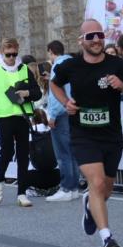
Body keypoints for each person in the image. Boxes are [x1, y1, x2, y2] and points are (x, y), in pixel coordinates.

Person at [50, 19, 123, 247]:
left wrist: (121, 85)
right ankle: (107, 239)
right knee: (97, 182)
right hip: (83, 135)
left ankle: (89, 203)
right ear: (82, 41)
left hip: (111, 136)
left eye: (99, 35)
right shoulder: (71, 65)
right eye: (90, 36)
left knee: (105, 189)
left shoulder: (116, 64)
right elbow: (54, 84)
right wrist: (65, 103)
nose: (96, 40)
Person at [0, 38, 42, 207]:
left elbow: (37, 92)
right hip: (5, 117)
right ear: (2, 52)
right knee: (7, 153)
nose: (11, 57)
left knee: (23, 154)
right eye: (8, 54)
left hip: (23, 117)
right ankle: (0, 181)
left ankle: (21, 193)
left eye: (14, 54)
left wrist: (26, 93)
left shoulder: (24, 69)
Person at [44, 40, 81, 202]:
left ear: (51, 52)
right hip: (73, 110)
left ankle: (67, 187)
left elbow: (55, 93)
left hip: (62, 112)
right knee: (72, 152)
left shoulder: (57, 66)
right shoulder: (72, 63)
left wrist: (51, 115)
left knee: (62, 152)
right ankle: (73, 187)